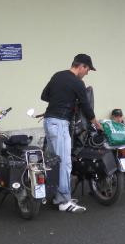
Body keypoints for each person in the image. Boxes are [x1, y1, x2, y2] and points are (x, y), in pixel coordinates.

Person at [41, 53, 102, 213]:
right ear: (81, 66)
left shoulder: (57, 75)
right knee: (64, 163)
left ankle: (57, 196)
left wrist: (61, 99)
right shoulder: (77, 83)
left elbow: (44, 95)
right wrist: (95, 122)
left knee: (54, 161)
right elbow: (86, 106)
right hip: (60, 124)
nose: (87, 73)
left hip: (48, 121)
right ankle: (64, 201)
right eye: (87, 69)